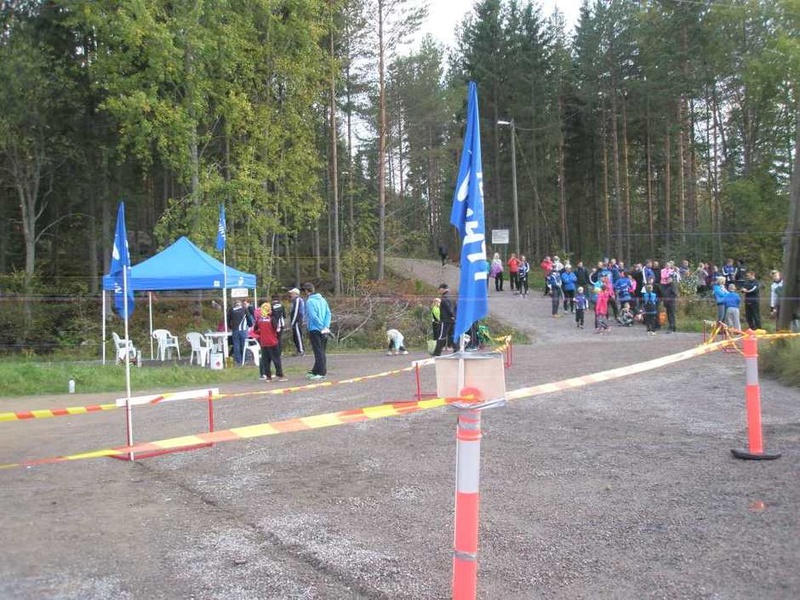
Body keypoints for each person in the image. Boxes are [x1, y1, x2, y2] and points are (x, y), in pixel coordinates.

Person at [303, 283, 331, 379]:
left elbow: (313, 316)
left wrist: (321, 326)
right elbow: (328, 314)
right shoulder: (323, 300)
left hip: (315, 329)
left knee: (318, 352)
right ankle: (316, 370)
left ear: (307, 291)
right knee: (321, 351)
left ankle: (321, 372)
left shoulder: (310, 301)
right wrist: (326, 326)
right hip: (324, 329)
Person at [254, 302, 286, 382]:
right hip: (272, 341)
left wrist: (261, 333)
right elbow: (277, 329)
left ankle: (268, 376)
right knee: (276, 359)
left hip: (263, 342)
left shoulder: (259, 319)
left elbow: (255, 329)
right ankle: (280, 375)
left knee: (266, 360)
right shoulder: (272, 318)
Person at [227, 299, 254, 365]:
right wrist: (250, 325)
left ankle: (238, 361)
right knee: (244, 344)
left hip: (235, 329)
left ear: (235, 304)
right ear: (240, 304)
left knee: (236, 345)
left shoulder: (231, 310)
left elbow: (228, 320)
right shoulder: (244, 309)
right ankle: (245, 359)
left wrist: (231, 327)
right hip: (243, 329)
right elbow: (248, 318)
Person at [433, 283, 456, 356]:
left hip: (446, 319)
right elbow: (455, 307)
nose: (439, 291)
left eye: (439, 289)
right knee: (452, 335)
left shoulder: (444, 298)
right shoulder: (452, 297)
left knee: (442, 336)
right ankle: (456, 350)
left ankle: (437, 353)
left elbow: (448, 308)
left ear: (442, 289)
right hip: (452, 320)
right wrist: (455, 316)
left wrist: (452, 315)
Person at [288, 287, 305, 356]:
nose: (291, 295)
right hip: (296, 321)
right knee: (295, 336)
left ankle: (301, 350)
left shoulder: (298, 300)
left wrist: (293, 322)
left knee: (298, 335)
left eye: (292, 293)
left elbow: (296, 312)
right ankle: (298, 349)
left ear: (296, 294)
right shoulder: (295, 301)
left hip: (297, 321)